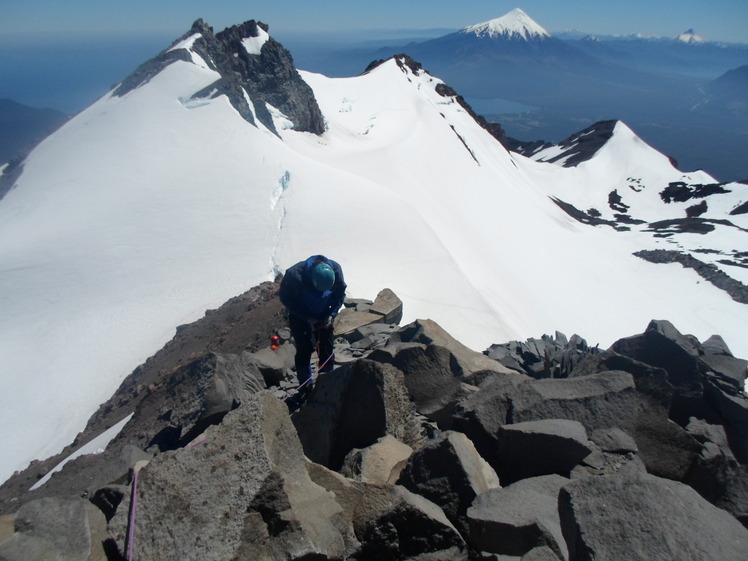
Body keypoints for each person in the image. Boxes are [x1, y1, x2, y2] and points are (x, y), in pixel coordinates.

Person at [279, 255, 346, 391]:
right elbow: (286, 299)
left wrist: (331, 315)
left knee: (326, 347)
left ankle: (327, 383)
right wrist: (306, 318)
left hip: (324, 315)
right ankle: (306, 387)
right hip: (301, 317)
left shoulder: (336, 270)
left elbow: (340, 294)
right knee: (304, 349)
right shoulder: (294, 276)